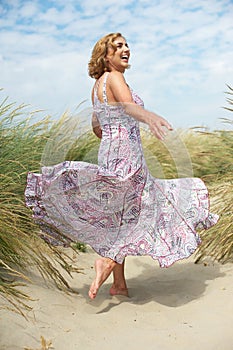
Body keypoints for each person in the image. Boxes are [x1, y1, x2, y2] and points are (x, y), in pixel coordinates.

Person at [25, 33, 218, 300]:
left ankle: (119, 284)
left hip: (110, 152)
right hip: (128, 154)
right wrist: (147, 116)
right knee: (139, 209)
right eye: (119, 46)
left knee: (119, 213)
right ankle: (106, 260)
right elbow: (128, 107)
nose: (126, 49)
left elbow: (96, 127)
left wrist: (114, 134)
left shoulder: (97, 86)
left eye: (127, 45)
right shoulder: (115, 78)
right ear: (106, 56)